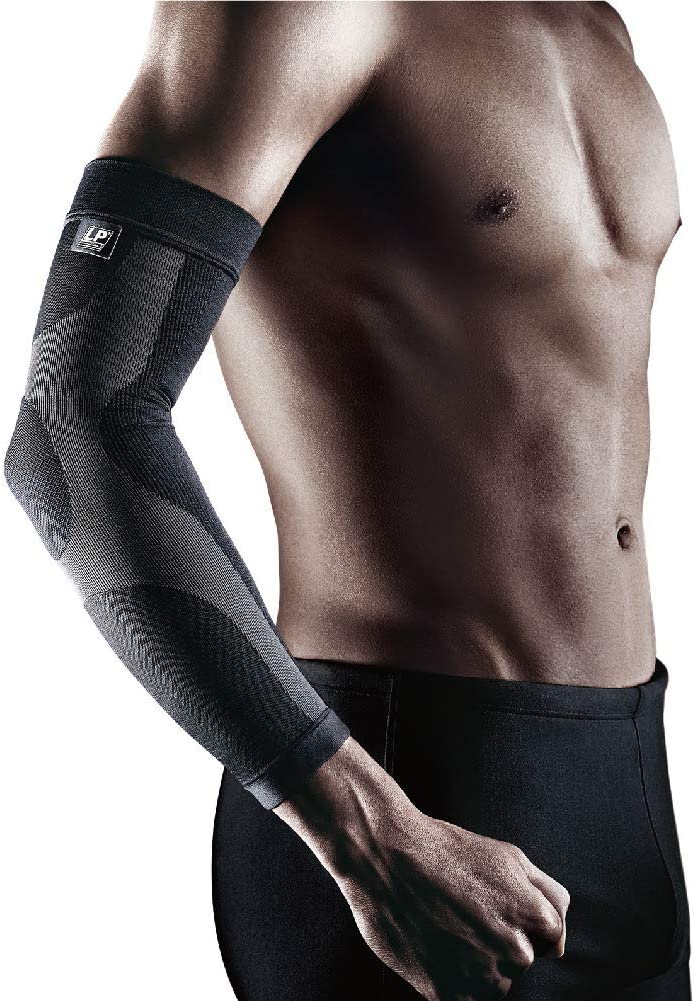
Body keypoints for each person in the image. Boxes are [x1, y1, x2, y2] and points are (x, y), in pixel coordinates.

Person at [5, 3, 690, 999]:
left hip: (628, 779)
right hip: (400, 788)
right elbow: (71, 420)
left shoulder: (593, 24)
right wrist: (363, 829)